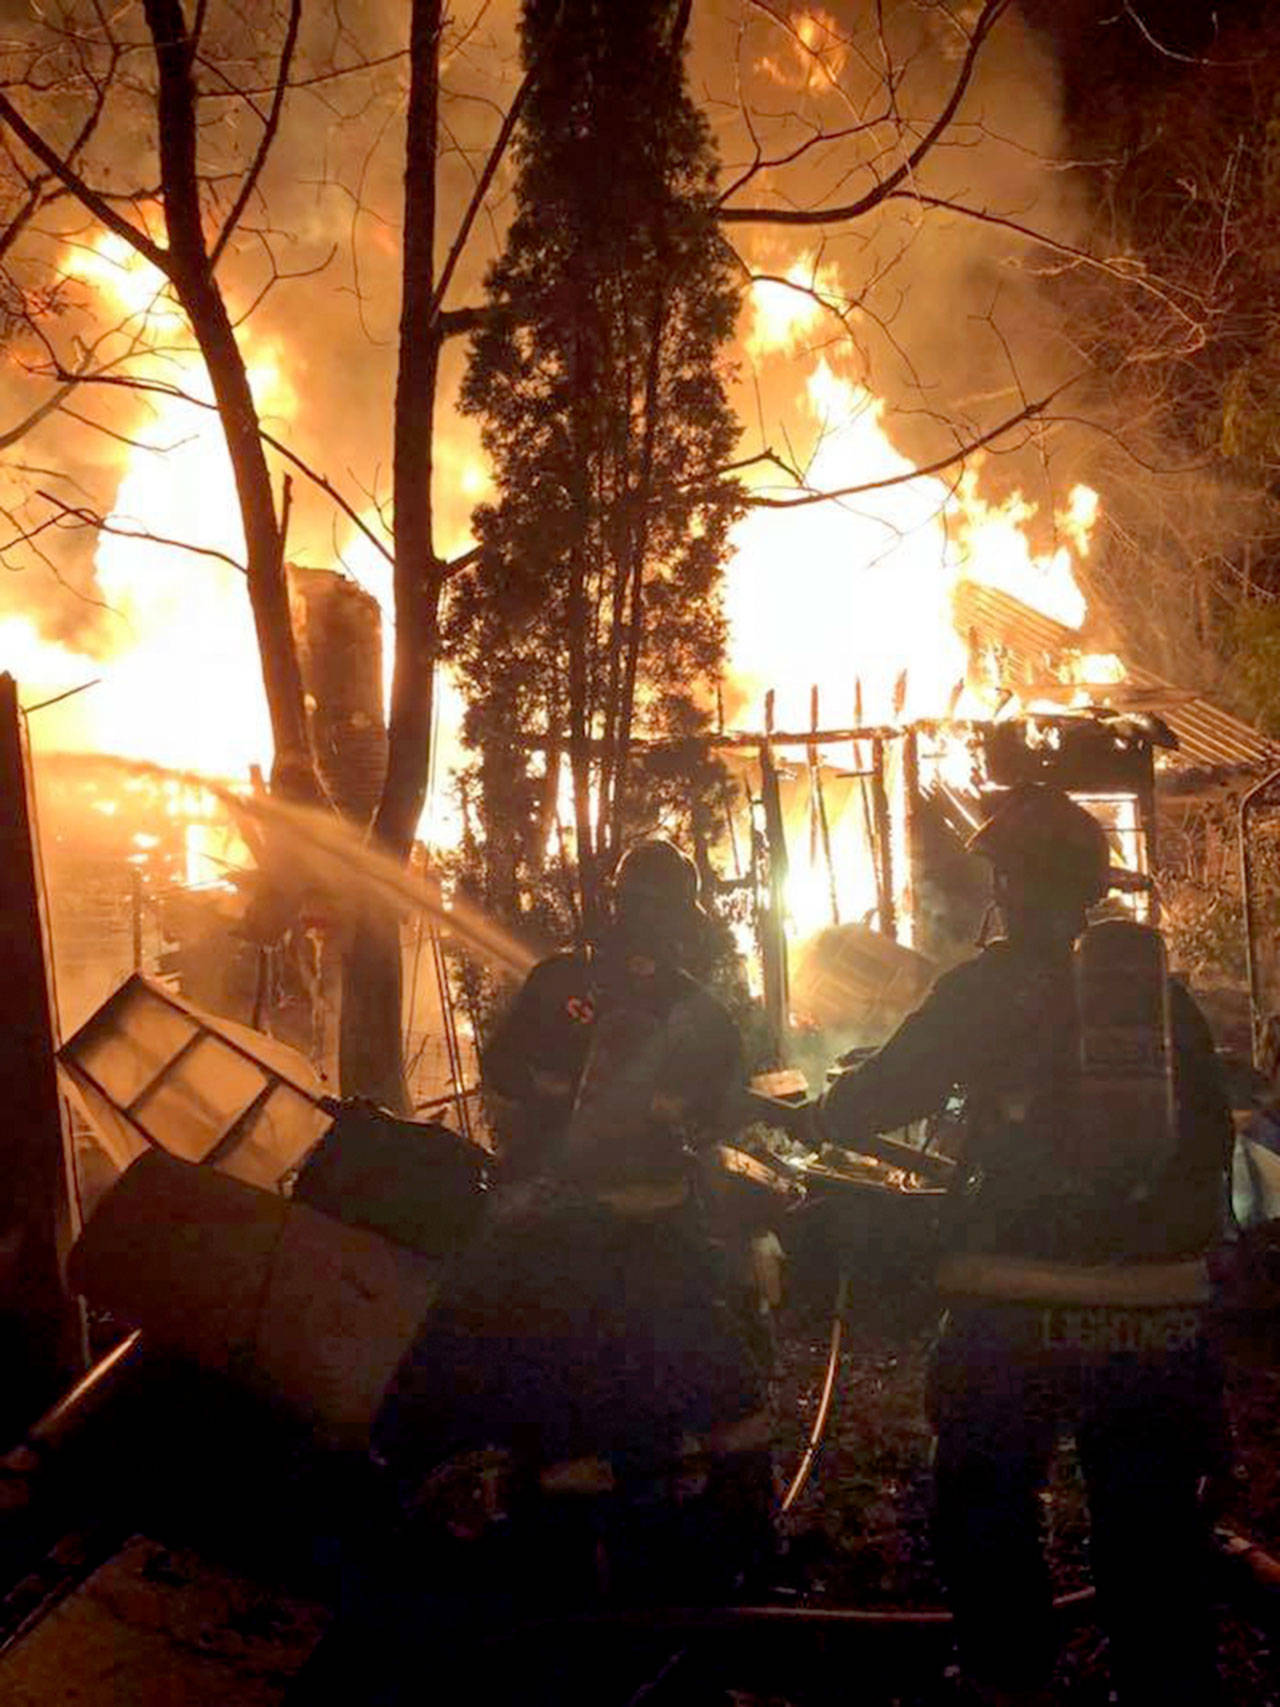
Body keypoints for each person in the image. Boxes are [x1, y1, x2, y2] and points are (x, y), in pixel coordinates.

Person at [814, 784, 1232, 1706]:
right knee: (1152, 1520)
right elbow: (1210, 1144)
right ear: (1090, 892)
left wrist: (827, 1109)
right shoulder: (1161, 1003)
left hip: (1013, 1299)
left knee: (986, 1493)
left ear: (1007, 885)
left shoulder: (982, 989)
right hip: (1156, 1310)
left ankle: (1006, 1677)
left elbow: (879, 1095)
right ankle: (1165, 1686)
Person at [373, 837, 771, 1598]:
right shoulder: (699, 1011)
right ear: (684, 921)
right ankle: (721, 1558)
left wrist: (558, 1096)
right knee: (708, 1394)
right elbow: (723, 1115)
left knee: (569, 1405)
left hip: (564, 1240)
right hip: (643, 1239)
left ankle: (578, 1573)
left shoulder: (565, 980)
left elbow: (503, 1072)